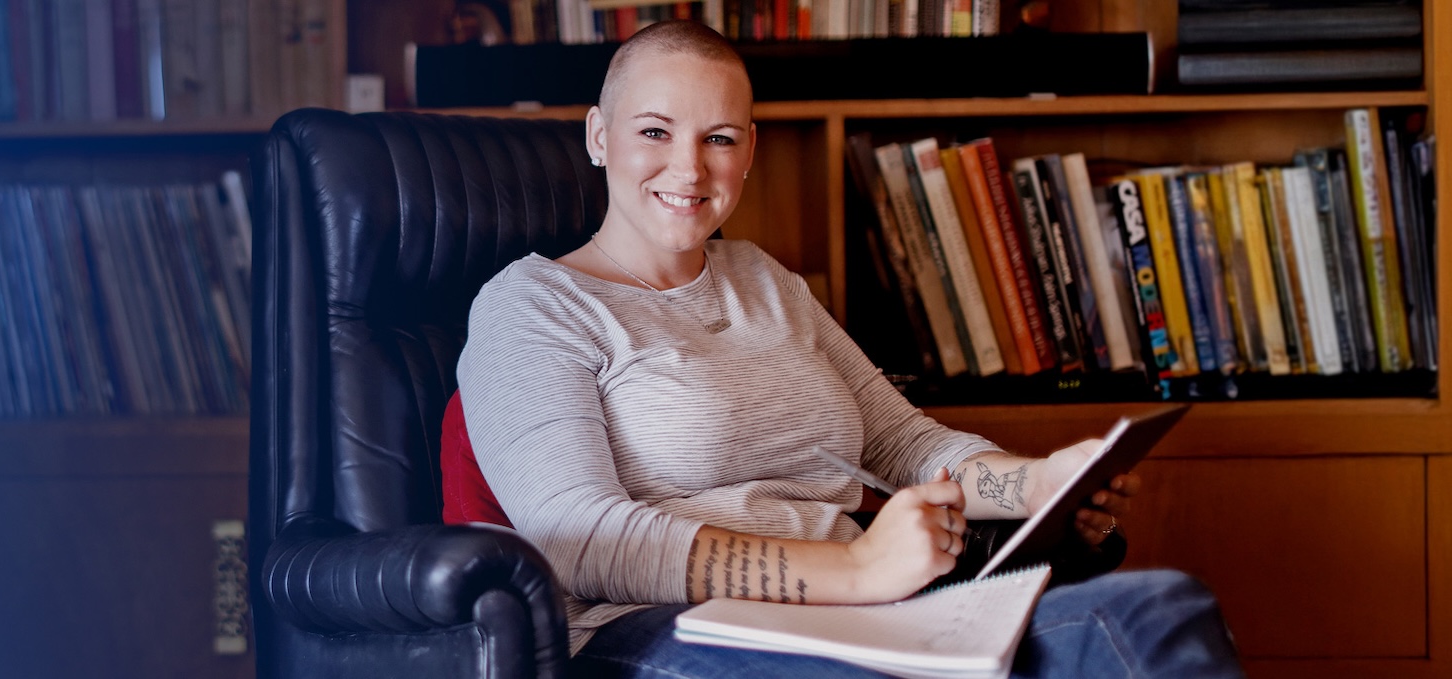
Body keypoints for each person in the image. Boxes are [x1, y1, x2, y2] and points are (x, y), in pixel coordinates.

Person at [454, 19, 1245, 679]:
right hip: (664, 634)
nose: (689, 168)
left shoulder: (764, 278)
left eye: (719, 138)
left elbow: (904, 442)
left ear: (750, 150)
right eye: (654, 131)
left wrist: (1039, 483)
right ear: (600, 135)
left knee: (1159, 609)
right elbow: (578, 537)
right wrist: (861, 571)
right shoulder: (530, 307)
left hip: (873, 611)